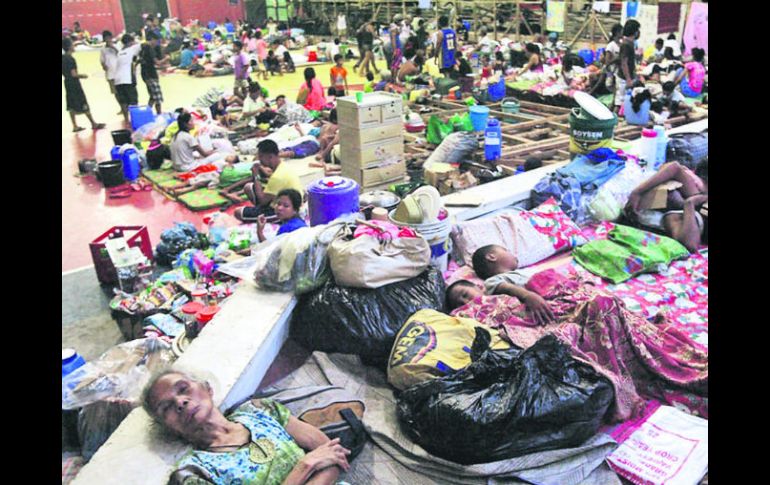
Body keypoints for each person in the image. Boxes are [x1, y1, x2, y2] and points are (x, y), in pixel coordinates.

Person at [142, 370, 351, 485]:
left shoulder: (259, 410)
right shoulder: (193, 473)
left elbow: (332, 452)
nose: (180, 402)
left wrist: (317, 464)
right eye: (166, 407)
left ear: (207, 388)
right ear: (169, 428)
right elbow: (317, 459)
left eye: (183, 388)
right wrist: (304, 467)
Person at [624, 159, 708, 252]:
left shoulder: (696, 192)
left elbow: (674, 168)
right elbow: (690, 244)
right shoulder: (679, 214)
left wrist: (637, 193)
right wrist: (690, 204)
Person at [469, 245, 555, 325]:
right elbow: (503, 287)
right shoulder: (492, 280)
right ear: (492, 257)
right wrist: (528, 296)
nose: (513, 254)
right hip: (540, 305)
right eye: (506, 251)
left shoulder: (526, 271)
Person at [235, 139, 304, 222]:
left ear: (270, 157)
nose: (259, 160)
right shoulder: (283, 166)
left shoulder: (277, 177)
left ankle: (272, 218)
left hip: (284, 211)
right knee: (248, 187)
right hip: (283, 201)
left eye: (261, 157)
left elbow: (262, 201)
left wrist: (256, 175)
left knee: (238, 212)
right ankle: (259, 212)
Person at [62, 38, 105, 132]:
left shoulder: (62, 58)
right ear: (69, 46)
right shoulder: (70, 59)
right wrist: (83, 75)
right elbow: (73, 74)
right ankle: (93, 123)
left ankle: (74, 125)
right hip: (74, 84)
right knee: (83, 102)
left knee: (71, 104)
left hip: (67, 83)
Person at [170, 112, 235, 172]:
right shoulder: (188, 137)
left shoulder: (175, 136)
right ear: (189, 123)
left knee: (197, 154)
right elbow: (205, 154)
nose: (194, 123)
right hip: (188, 167)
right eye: (192, 121)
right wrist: (216, 150)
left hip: (176, 166)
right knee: (218, 155)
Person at [114, 33, 142, 124]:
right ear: (130, 42)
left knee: (123, 101)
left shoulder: (119, 52)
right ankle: (135, 119)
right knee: (133, 100)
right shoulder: (132, 49)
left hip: (117, 80)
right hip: (127, 79)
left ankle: (126, 119)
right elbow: (143, 44)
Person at [615, 19, 641, 112]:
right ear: (634, 31)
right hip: (624, 77)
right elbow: (624, 62)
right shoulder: (626, 44)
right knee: (621, 102)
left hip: (627, 76)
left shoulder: (630, 43)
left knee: (623, 101)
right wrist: (628, 78)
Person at [140, 31, 166, 115]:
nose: (156, 43)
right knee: (157, 96)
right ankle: (159, 114)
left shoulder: (142, 47)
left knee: (152, 96)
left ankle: (146, 113)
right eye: (156, 41)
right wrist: (167, 59)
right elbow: (157, 62)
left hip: (145, 74)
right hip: (151, 75)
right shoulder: (149, 48)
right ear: (152, 39)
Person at [99, 31, 121, 114]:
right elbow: (102, 61)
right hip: (110, 74)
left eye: (109, 37)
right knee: (116, 93)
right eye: (106, 38)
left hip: (119, 73)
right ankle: (121, 107)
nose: (108, 39)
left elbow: (121, 54)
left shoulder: (117, 46)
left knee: (122, 91)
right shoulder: (103, 49)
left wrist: (113, 48)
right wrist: (103, 65)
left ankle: (126, 106)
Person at [602, 23, 623, 92]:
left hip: (620, 69)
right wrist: (616, 59)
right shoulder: (611, 45)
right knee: (609, 84)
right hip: (612, 69)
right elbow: (607, 61)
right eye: (621, 31)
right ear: (617, 33)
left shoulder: (621, 45)